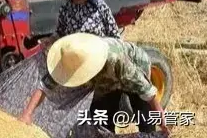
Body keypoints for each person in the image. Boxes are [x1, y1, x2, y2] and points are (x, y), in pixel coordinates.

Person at [19, 33, 169, 135]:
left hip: (134, 64)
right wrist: (27, 114)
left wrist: (162, 123)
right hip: (105, 82)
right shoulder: (68, 60)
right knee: (102, 118)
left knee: (143, 114)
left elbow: (149, 93)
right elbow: (44, 86)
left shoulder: (116, 61)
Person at [39, 0, 121, 50]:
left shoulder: (100, 7)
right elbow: (60, 32)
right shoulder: (66, 8)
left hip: (97, 52)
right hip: (73, 53)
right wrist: (51, 39)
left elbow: (114, 35)